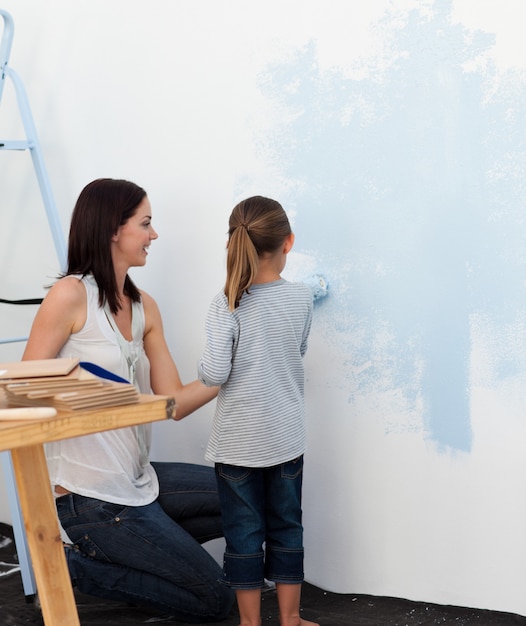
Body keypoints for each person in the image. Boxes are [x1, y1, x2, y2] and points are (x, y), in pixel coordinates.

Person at [22, 178, 234, 622]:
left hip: (138, 480)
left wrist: (235, 360)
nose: (153, 235)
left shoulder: (144, 306)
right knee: (217, 601)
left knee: (246, 496)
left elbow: (172, 402)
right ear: (113, 230)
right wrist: (84, 393)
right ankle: (76, 567)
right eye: (146, 223)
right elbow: (26, 393)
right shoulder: (70, 296)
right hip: (90, 496)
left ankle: (136, 553)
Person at [198, 196, 319, 626]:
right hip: (285, 439)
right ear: (287, 242)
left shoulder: (225, 303)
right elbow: (298, 350)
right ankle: (291, 618)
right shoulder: (302, 298)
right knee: (287, 526)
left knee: (244, 535)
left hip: (237, 447)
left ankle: (251, 624)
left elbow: (213, 373)